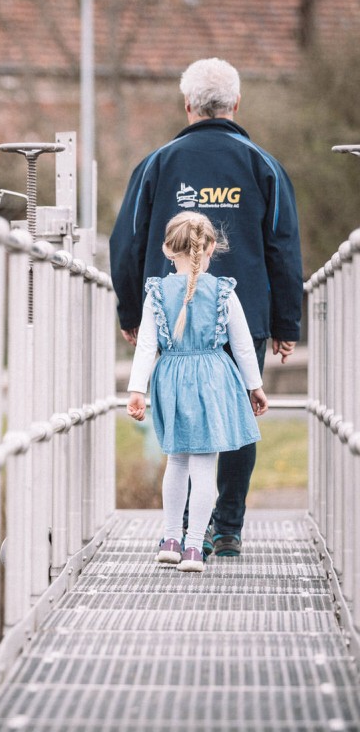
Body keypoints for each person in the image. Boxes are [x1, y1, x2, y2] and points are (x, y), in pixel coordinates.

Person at [110, 57, 303, 557]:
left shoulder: (157, 164)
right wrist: (286, 321)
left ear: (188, 105)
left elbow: (127, 243)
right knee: (237, 416)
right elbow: (282, 246)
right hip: (245, 313)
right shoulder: (264, 165)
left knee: (183, 430)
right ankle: (226, 527)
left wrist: (132, 313)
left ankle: (181, 531)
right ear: (236, 104)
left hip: (169, 319)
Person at [126, 212, 268, 571]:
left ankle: (171, 538)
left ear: (166, 249)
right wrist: (255, 386)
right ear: (211, 248)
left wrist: (136, 390)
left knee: (176, 461)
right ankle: (193, 548)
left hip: (171, 379)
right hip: (212, 380)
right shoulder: (223, 291)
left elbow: (145, 346)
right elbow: (243, 346)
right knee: (205, 465)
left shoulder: (156, 292)